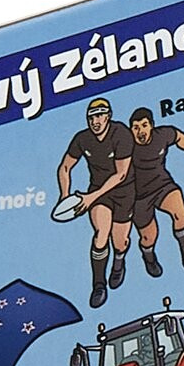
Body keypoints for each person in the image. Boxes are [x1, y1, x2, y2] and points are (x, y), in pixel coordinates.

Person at [56, 99, 138, 306]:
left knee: (120, 241)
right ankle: (99, 285)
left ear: (108, 116)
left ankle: (118, 262)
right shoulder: (82, 139)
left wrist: (90, 197)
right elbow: (65, 167)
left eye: (99, 116)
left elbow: (121, 174)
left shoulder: (121, 134)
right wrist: (64, 196)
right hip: (99, 193)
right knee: (101, 233)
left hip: (124, 192)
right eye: (91, 117)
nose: (95, 121)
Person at [119, 107, 184, 277]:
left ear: (151, 125)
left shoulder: (163, 135)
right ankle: (149, 259)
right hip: (138, 197)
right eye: (136, 127)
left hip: (162, 185)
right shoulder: (126, 147)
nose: (140, 131)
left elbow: (179, 137)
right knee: (149, 237)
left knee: (179, 210)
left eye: (144, 125)